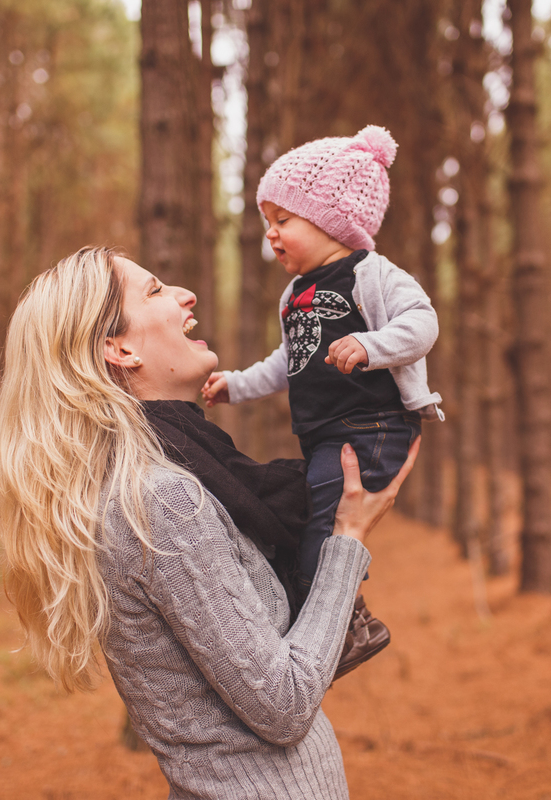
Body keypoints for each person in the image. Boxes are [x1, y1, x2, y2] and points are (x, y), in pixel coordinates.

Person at [0, 246, 419, 799]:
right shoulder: (162, 503)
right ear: (117, 348)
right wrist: (346, 541)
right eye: (154, 290)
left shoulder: (182, 479)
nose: (185, 295)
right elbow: (283, 705)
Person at [202, 125, 442, 674]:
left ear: (332, 218)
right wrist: (237, 384)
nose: (271, 234)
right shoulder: (294, 295)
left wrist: (369, 344)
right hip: (326, 434)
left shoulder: (372, 274)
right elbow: (290, 360)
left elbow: (423, 325)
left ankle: (339, 634)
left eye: (283, 220)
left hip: (371, 427)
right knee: (310, 521)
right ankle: (350, 619)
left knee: (325, 528)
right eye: (267, 223)